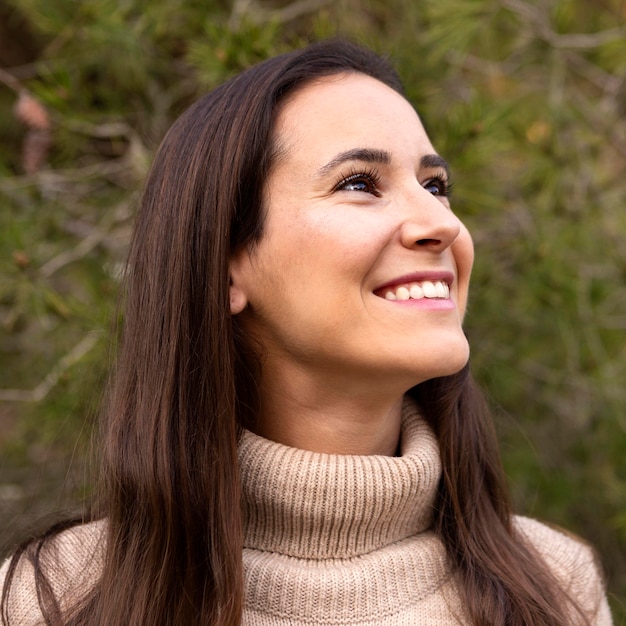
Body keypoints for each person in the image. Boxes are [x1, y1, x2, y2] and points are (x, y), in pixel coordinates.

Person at [0, 39, 612, 626]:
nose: (440, 223)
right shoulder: (48, 602)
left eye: (435, 186)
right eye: (358, 184)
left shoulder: (556, 587)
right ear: (223, 267)